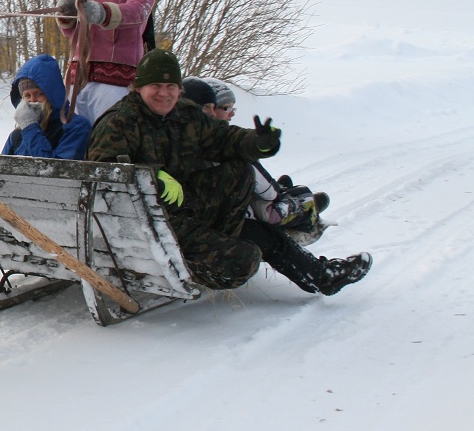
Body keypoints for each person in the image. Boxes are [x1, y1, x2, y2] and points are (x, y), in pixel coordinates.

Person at [88, 50, 371, 296]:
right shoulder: (120, 122)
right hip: (148, 223)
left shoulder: (184, 115)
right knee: (245, 257)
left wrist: (257, 143)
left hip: (183, 209)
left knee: (238, 172)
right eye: (155, 85)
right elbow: (105, 172)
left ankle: (321, 275)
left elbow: (223, 140)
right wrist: (151, 176)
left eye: (170, 85)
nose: (164, 93)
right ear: (138, 87)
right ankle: (199, 262)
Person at [187, 76, 331, 232]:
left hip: (219, 209)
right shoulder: (219, 142)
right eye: (226, 108)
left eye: (233, 109)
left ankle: (290, 197)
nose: (232, 114)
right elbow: (269, 193)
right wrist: (278, 194)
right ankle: (304, 209)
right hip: (238, 216)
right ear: (209, 108)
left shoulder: (191, 136)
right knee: (297, 196)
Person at [2, 54, 92, 159]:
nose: (33, 100)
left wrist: (30, 128)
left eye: (39, 94)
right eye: (27, 95)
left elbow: (53, 171)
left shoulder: (75, 127)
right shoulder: (17, 135)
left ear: (52, 94)